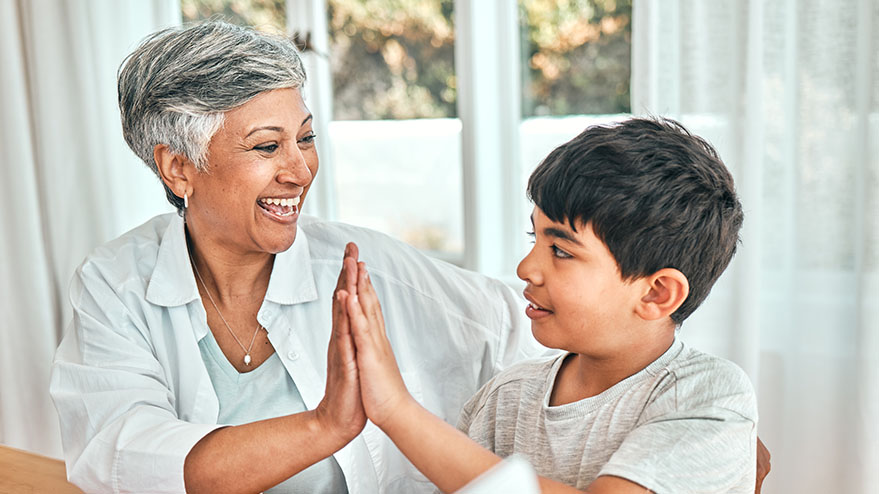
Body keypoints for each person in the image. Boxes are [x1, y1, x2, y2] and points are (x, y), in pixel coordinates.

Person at [48, 21, 541, 494]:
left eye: (305, 138)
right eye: (267, 146)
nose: (301, 171)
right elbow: (120, 458)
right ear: (178, 169)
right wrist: (324, 426)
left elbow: (526, 327)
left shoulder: (367, 268)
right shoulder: (116, 285)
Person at [338, 117, 760, 493]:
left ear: (656, 294)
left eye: (560, 250)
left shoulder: (711, 395)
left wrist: (397, 410)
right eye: (533, 239)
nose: (526, 268)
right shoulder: (505, 399)